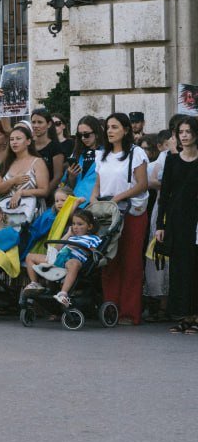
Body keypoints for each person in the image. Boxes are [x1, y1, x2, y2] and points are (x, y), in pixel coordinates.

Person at [95, 113, 149, 325]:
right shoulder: (102, 155)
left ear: (126, 130)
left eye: (115, 127)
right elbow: (97, 185)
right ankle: (111, 309)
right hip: (108, 214)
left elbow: (142, 184)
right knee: (109, 259)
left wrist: (119, 197)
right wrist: (94, 203)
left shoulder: (136, 153)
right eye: (108, 127)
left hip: (131, 212)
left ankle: (129, 312)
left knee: (131, 262)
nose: (109, 130)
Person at [156, 115, 198, 333]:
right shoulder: (172, 160)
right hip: (176, 221)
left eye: (188, 132)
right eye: (181, 132)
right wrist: (159, 225)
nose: (184, 136)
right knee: (180, 270)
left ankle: (196, 316)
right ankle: (184, 315)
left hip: (196, 222)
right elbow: (165, 195)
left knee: (196, 268)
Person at [22, 206, 99, 307]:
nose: (75, 227)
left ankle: (63, 293)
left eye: (80, 224)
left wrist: (80, 247)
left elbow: (94, 252)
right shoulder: (71, 236)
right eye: (74, 224)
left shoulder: (92, 238)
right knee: (29, 256)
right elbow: (57, 248)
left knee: (73, 264)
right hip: (58, 259)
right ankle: (35, 283)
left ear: (89, 227)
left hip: (72, 259)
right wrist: (68, 234)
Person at [0, 125, 49, 225]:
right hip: (7, 214)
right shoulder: (6, 162)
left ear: (28, 142)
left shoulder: (37, 162)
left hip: (31, 214)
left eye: (18, 139)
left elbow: (44, 190)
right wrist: (12, 181)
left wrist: (21, 192)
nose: (14, 142)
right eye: (12, 139)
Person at [30, 109, 66, 199]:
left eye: (40, 122)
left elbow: (58, 176)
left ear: (49, 124)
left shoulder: (55, 147)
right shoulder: (28, 145)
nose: (36, 125)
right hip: (27, 193)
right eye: (33, 122)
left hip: (47, 197)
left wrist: (44, 192)